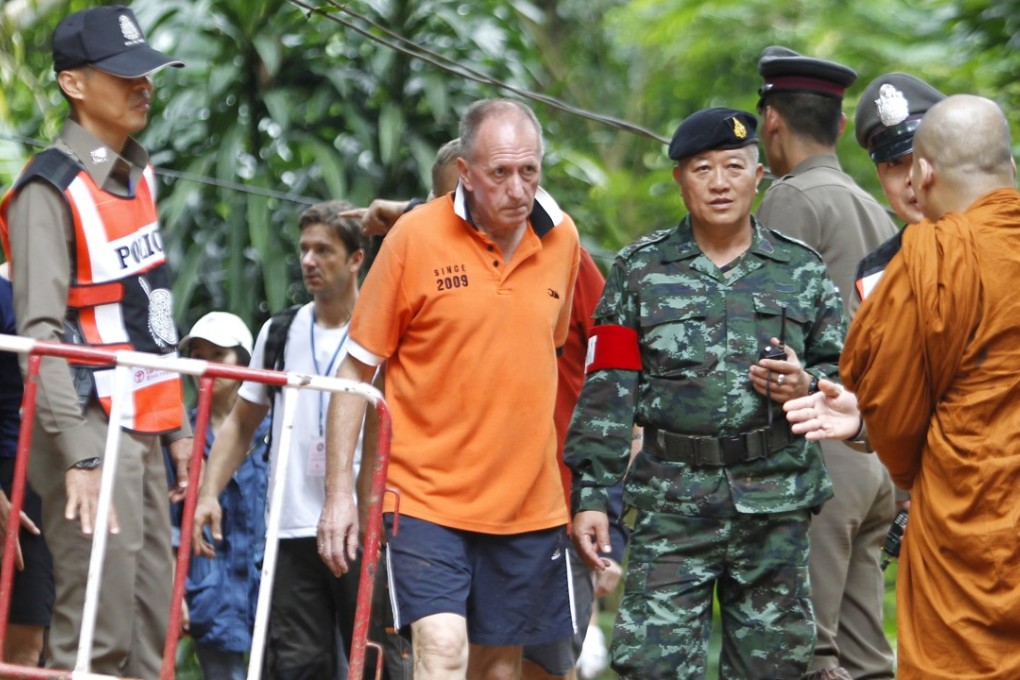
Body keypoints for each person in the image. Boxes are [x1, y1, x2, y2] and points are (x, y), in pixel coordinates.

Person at [564, 106, 847, 679]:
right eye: (702, 169)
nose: (720, 183)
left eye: (734, 167)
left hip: (774, 504)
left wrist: (806, 383)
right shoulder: (639, 272)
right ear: (679, 179)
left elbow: (846, 377)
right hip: (672, 504)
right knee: (651, 668)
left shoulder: (802, 270)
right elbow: (607, 390)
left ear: (758, 175)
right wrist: (592, 493)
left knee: (774, 669)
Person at [318, 98, 581, 680]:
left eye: (530, 171)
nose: (518, 189)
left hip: (526, 504)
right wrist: (340, 494)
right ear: (465, 172)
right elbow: (355, 374)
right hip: (426, 499)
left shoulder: (562, 239)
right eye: (500, 173)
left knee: (498, 669)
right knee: (441, 648)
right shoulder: (414, 237)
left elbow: (547, 347)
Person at [785, 94, 1020, 680]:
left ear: (927, 172)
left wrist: (868, 424)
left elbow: (896, 415)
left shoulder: (928, 261)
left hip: (971, 525)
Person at [0, 6, 192, 676]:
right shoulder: (46, 189)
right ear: (74, 84)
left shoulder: (137, 175)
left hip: (140, 425)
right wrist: (80, 458)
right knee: (95, 639)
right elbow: (40, 339)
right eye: (126, 75)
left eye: (150, 73)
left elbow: (150, 311)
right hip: (85, 425)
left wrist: (179, 432)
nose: (145, 86)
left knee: (149, 639)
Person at [192, 201, 409, 679]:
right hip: (292, 528)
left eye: (324, 250)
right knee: (296, 665)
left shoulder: (384, 330)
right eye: (305, 249)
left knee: (376, 661)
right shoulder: (281, 330)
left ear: (356, 259)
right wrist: (208, 493)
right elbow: (241, 423)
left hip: (363, 526)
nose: (309, 260)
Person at [756, 45, 898, 680]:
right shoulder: (876, 208)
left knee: (804, 654)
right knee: (867, 656)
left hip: (815, 458)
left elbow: (766, 343)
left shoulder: (790, 202)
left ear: (771, 123)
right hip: (872, 461)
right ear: (841, 127)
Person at [169, 312, 269, 680]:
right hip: (210, 587)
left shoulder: (277, 430)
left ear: (244, 362)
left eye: (218, 355)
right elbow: (168, 522)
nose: (206, 366)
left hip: (271, 582)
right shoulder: (180, 440)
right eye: (197, 355)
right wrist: (174, 589)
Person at [0, 262, 54, 669]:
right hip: (9, 476)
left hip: (63, 478)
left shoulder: (95, 296)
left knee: (38, 643)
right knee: (19, 640)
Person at [853, 73, 946, 298]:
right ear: (879, 177)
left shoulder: (1004, 242)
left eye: (923, 157)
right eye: (895, 163)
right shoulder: (873, 276)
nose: (912, 177)